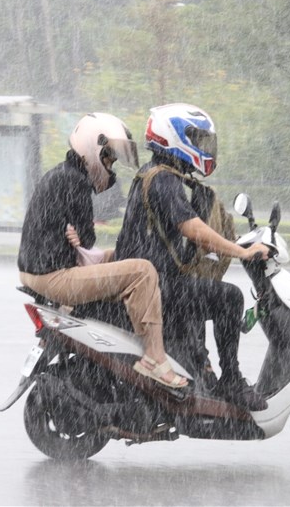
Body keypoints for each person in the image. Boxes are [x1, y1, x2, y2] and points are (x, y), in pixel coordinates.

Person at [114, 103, 270, 410]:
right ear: (174, 138)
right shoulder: (161, 179)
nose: (204, 147)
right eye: (198, 139)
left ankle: (202, 371)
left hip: (156, 281)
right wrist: (242, 252)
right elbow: (194, 229)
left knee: (200, 290)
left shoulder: (162, 176)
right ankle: (230, 380)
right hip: (154, 287)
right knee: (229, 298)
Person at [18, 113, 187, 389]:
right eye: (109, 158)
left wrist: (77, 235)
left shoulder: (63, 173)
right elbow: (87, 238)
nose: (111, 165)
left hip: (40, 271)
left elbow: (80, 238)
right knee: (143, 270)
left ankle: (127, 330)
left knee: (117, 257)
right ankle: (155, 358)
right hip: (53, 277)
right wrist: (78, 235)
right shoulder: (75, 181)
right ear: (94, 148)